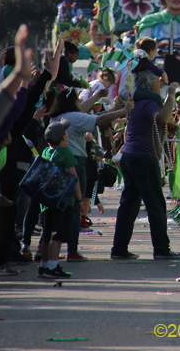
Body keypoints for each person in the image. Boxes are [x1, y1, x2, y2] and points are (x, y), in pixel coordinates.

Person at [48, 88, 133, 260]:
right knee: (75, 208)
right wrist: (124, 111)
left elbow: (84, 112)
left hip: (55, 163)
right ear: (72, 103)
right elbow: (99, 119)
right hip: (76, 162)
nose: (80, 103)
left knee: (54, 209)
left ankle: (46, 252)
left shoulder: (56, 117)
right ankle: (72, 250)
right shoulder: (74, 117)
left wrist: (97, 97)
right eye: (77, 100)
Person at [110, 68, 180, 260]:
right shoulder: (148, 101)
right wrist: (170, 95)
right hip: (143, 158)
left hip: (131, 156)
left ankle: (119, 250)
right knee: (155, 206)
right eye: (159, 82)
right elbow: (162, 118)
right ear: (152, 85)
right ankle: (161, 249)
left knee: (128, 206)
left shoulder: (136, 100)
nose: (161, 84)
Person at [37, 120, 84, 279]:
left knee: (46, 235)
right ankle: (52, 266)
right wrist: (79, 199)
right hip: (62, 201)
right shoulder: (66, 153)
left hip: (46, 200)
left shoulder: (45, 152)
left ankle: (43, 267)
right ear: (64, 137)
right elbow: (73, 177)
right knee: (57, 235)